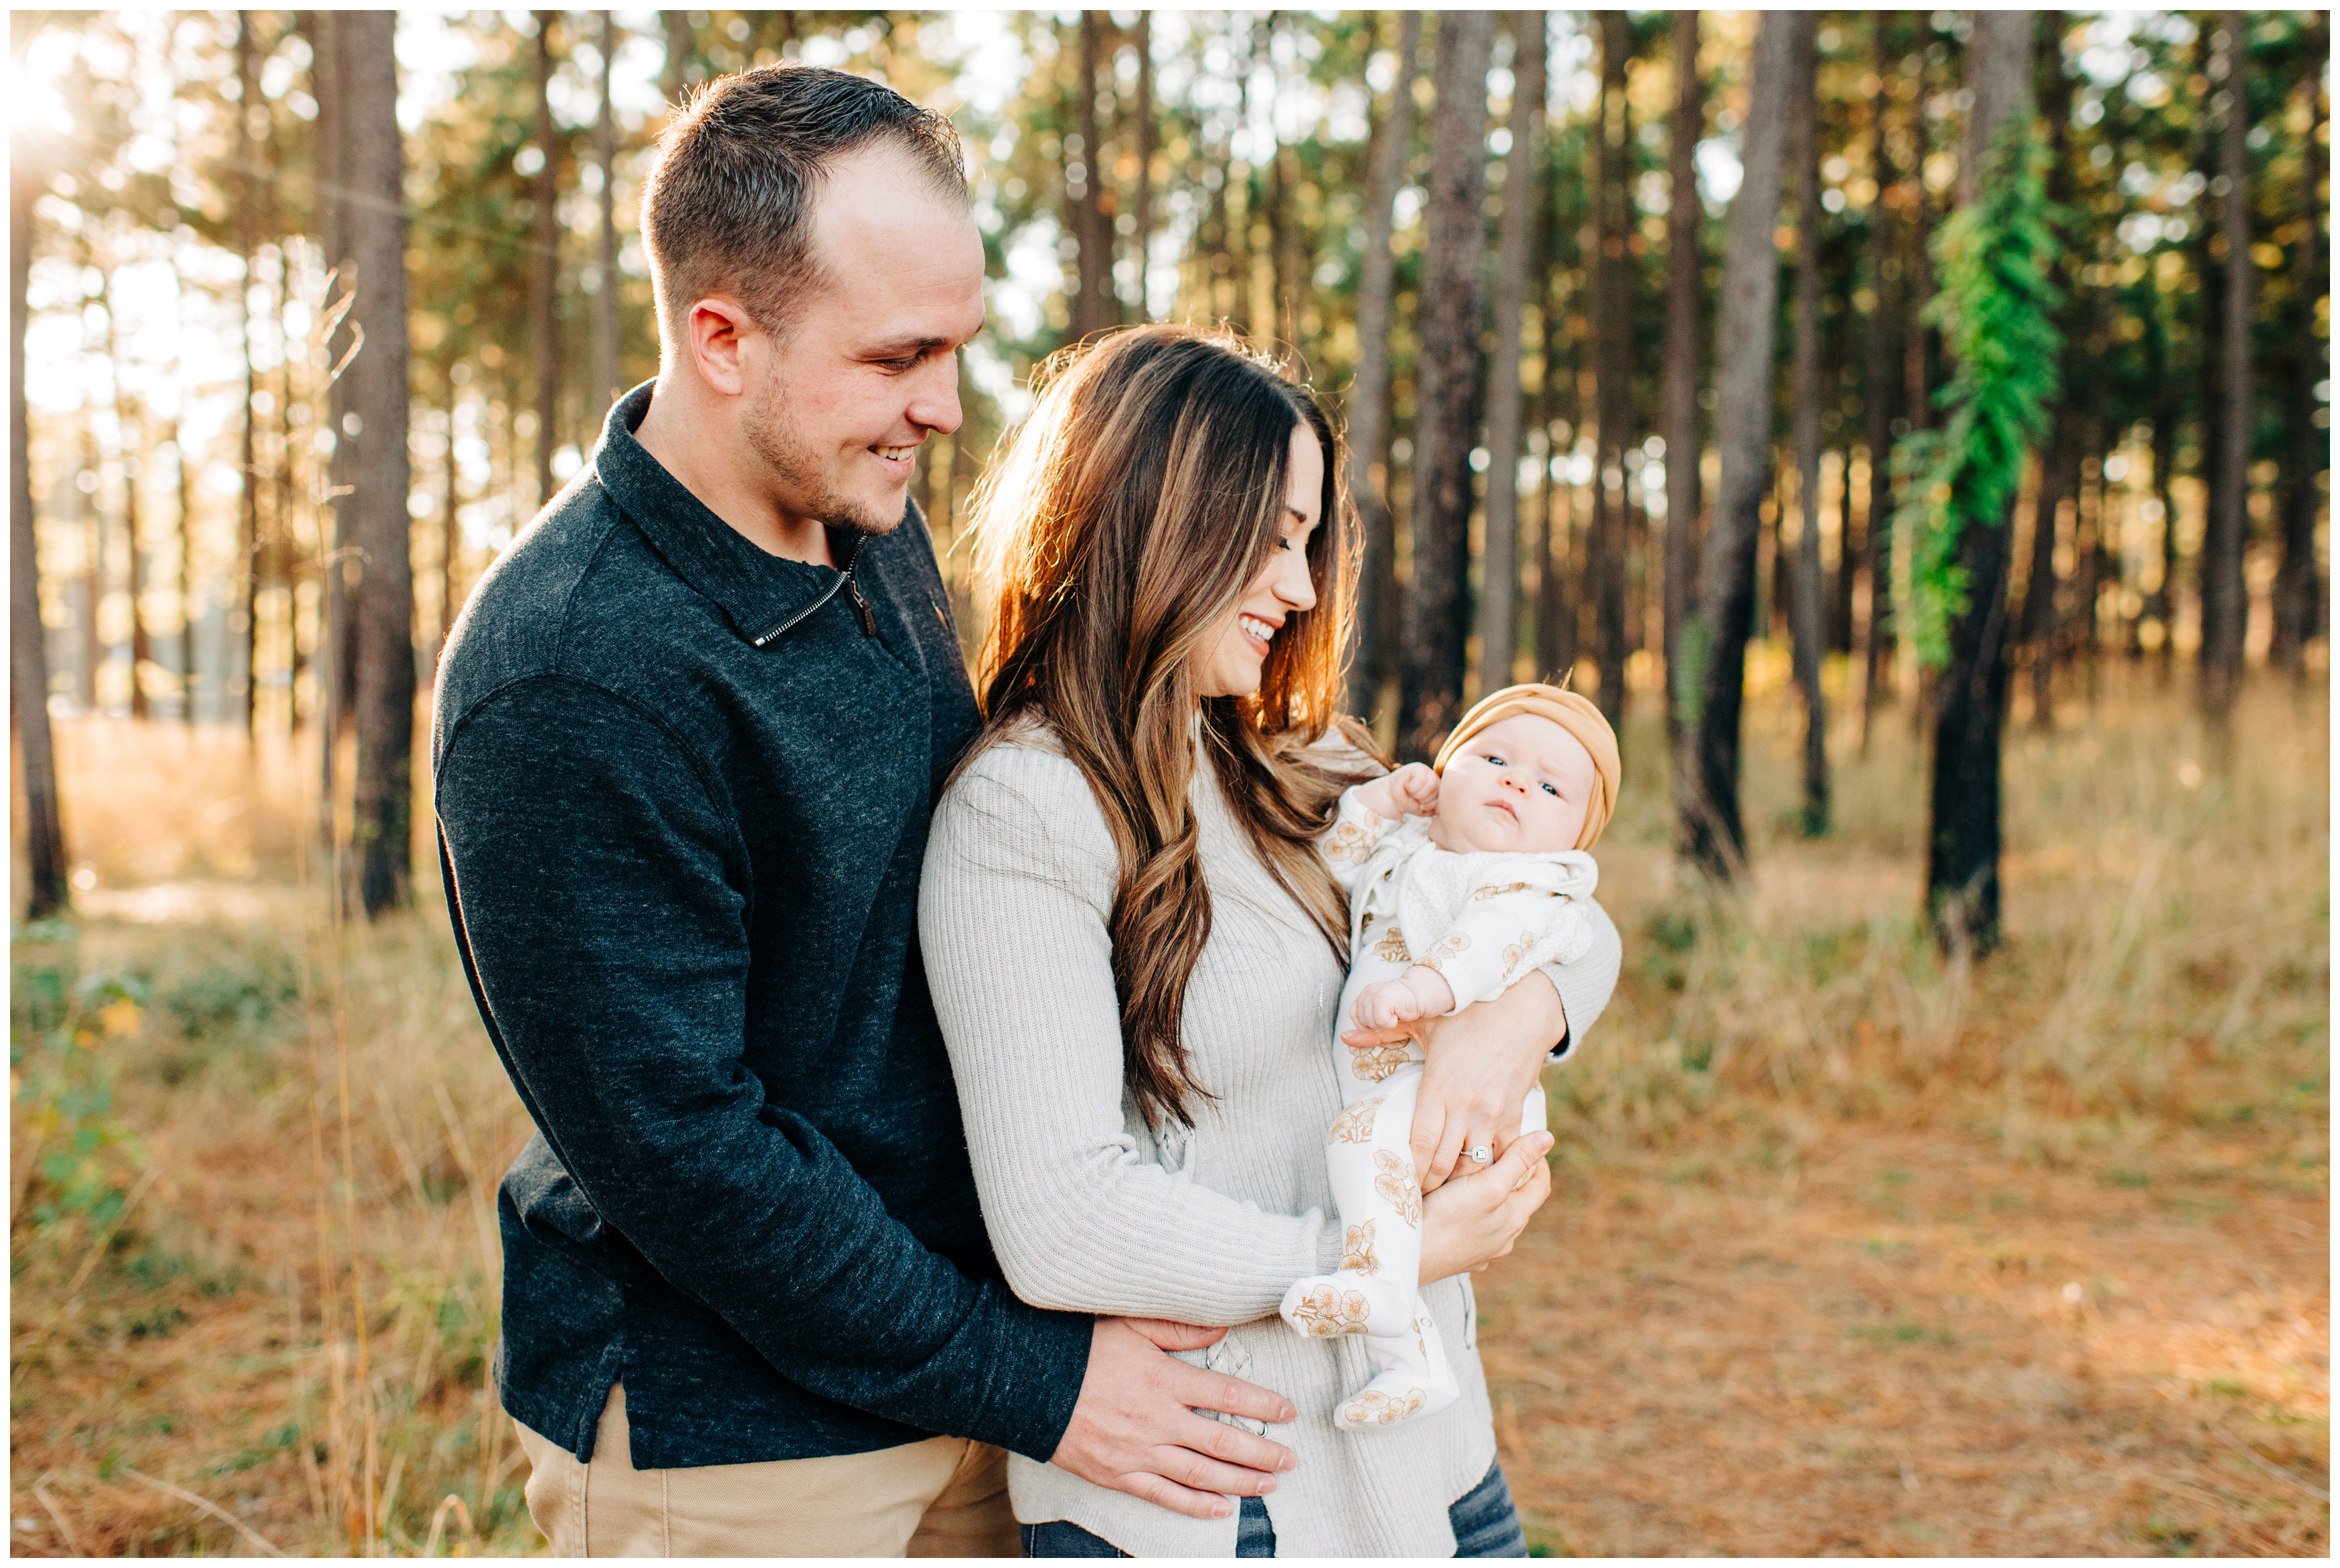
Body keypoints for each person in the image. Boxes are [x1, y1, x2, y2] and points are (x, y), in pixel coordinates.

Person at [432, 66, 1302, 1558]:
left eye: (956, 347)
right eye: (901, 355)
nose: (947, 409)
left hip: (978, 1359)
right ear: (722, 336)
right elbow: (692, 1158)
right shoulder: (572, 674)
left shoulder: (861, 517)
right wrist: (1034, 1378)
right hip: (743, 1451)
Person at [919, 327, 1624, 1557]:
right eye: (1272, 536)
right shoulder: (1025, 807)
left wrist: (1517, 1025)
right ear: (1154, 515)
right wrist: (1379, 1250)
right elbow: (1059, 1218)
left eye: (1308, 541)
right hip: (1216, 1499)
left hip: (1439, 1469)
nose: (1300, 588)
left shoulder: (1298, 761)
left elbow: (1567, 901)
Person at [1281, 684, 1624, 1432]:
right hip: (1385, 1089)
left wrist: (1425, 988)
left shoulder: (1532, 883)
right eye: (1493, 757)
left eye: (1549, 786)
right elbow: (1329, 872)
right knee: (1373, 1189)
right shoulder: (1408, 850)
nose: (1514, 781)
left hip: (1452, 1100)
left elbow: (1497, 938)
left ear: (1575, 837)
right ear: (1444, 773)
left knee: (1360, 1157)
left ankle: (1378, 1292)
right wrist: (1375, 807)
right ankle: (1413, 1361)